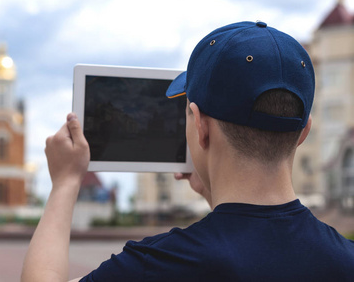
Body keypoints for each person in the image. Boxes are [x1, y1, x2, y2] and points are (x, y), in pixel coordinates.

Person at [21, 21, 354, 281]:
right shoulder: (345, 260)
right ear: (303, 132)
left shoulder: (159, 264)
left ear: (200, 126)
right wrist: (212, 188)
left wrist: (65, 182)